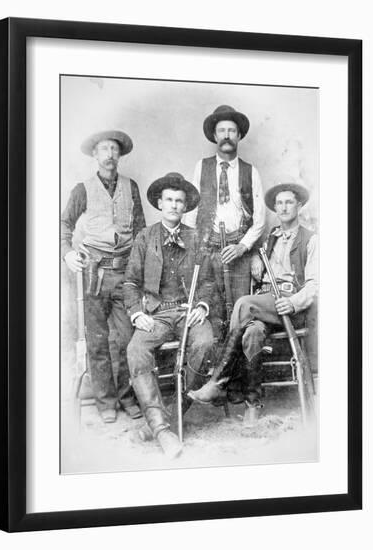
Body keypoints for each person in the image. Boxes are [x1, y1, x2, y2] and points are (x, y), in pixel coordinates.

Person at [188, 182, 317, 423]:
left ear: (299, 205)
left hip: (288, 306)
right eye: (279, 203)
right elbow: (263, 263)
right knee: (252, 333)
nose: (284, 207)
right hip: (266, 305)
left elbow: (315, 285)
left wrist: (294, 303)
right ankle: (252, 404)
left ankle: (219, 381)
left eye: (289, 202)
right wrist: (258, 256)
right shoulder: (272, 238)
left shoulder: (311, 239)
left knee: (244, 304)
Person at [124, 173, 215, 458]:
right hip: (158, 314)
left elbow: (208, 282)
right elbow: (130, 282)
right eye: (169, 200)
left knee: (204, 343)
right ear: (160, 204)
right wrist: (137, 313)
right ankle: (163, 430)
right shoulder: (145, 237)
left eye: (180, 201)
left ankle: (167, 419)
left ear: (185, 206)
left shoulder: (196, 237)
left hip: (188, 311)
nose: (174, 205)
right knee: (136, 350)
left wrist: (201, 306)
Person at [61, 130, 146, 424]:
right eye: (104, 149)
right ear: (95, 155)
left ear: (119, 155)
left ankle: (126, 397)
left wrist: (139, 269)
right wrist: (67, 253)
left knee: (126, 338)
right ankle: (105, 402)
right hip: (94, 273)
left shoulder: (130, 186)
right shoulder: (82, 189)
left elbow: (141, 231)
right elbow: (64, 224)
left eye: (114, 149)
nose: (109, 154)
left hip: (125, 273)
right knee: (97, 341)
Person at [184, 104, 266, 325]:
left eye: (231, 131)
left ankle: (238, 360)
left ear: (239, 136)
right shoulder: (202, 167)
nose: (226, 135)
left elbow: (260, 219)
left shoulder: (251, 171)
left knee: (240, 314)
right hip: (209, 251)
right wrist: (193, 250)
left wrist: (243, 247)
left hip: (238, 252)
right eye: (222, 131)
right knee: (212, 312)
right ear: (214, 135)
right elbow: (191, 211)